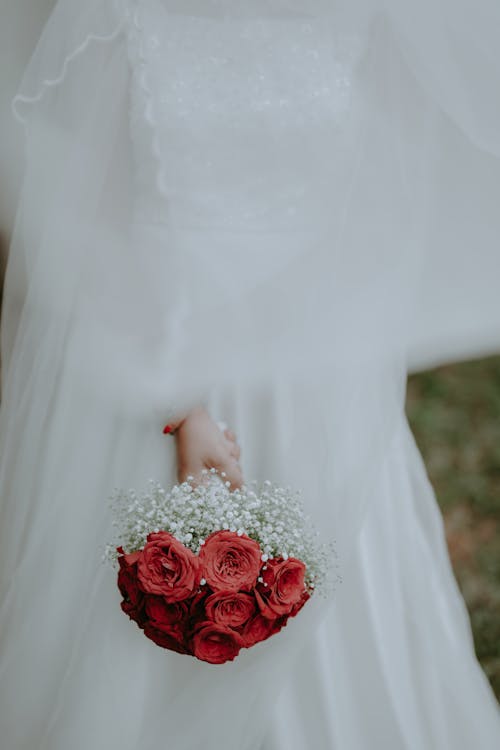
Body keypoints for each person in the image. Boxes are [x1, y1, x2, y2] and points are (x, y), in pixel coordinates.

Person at [0, 0, 499, 748]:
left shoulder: (363, 17)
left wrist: (338, 367)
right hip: (157, 342)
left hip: (312, 363)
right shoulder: (120, 13)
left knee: (340, 588)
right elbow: (86, 221)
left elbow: (382, 202)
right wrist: (182, 403)